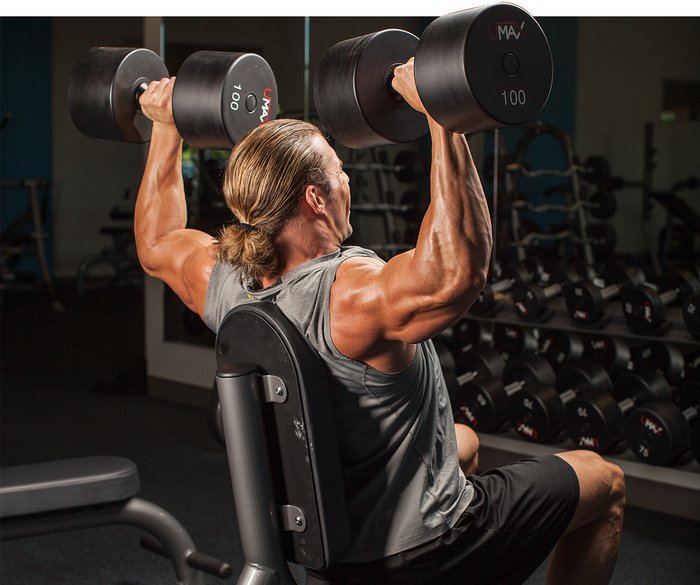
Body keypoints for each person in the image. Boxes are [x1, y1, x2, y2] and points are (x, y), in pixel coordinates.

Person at [134, 60, 625, 585]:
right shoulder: (349, 294)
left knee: (463, 442)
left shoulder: (224, 282)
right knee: (605, 481)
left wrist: (165, 127)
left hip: (328, 542)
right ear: (315, 198)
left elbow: (157, 240)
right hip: (421, 554)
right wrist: (443, 116)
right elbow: (457, 273)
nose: (347, 179)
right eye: (338, 170)